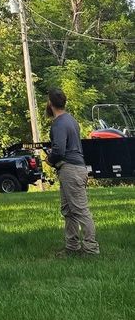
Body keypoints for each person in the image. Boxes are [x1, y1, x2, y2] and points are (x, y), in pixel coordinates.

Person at [45, 87, 99, 258]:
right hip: (75, 168)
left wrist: (49, 159)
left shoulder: (59, 124)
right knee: (68, 210)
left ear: (50, 103)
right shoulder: (71, 120)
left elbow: (59, 150)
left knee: (80, 210)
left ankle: (91, 249)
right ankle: (72, 246)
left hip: (70, 169)